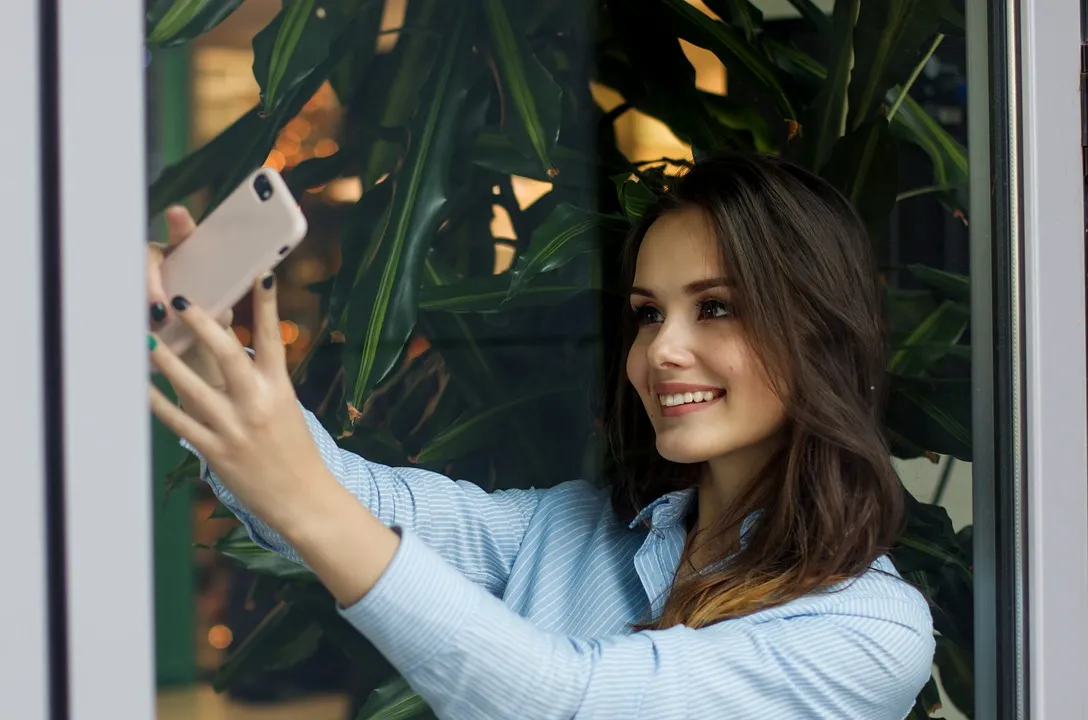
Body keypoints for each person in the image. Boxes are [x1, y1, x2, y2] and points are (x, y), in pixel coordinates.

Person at [146, 154, 935, 719]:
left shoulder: (865, 632)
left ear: (820, 337)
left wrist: (313, 507)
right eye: (649, 313)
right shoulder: (569, 529)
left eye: (717, 307)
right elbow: (371, 502)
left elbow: (566, 701)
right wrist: (193, 335)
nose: (661, 350)